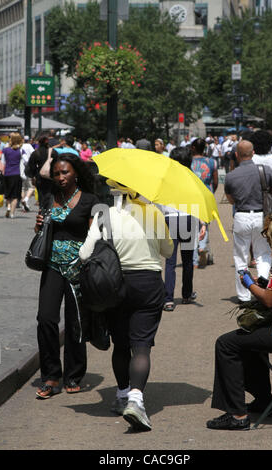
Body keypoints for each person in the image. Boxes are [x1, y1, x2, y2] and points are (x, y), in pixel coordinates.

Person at [79, 180, 173, 431]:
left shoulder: (105, 215)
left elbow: (85, 254)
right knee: (141, 346)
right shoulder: (154, 213)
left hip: (115, 284)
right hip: (148, 283)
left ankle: (121, 395)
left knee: (120, 344)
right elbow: (168, 250)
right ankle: (136, 399)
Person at [207, 206, 272, 430]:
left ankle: (237, 416)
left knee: (226, 344)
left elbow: (268, 301)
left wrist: (249, 283)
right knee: (250, 338)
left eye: (267, 235)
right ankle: (264, 399)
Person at [34, 153, 98, 399]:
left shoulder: (90, 200)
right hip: (52, 266)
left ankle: (73, 374)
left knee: (75, 323)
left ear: (76, 174)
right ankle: (51, 375)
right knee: (46, 318)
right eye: (57, 173)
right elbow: (41, 230)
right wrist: (39, 225)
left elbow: (96, 236)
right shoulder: (50, 198)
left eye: (65, 173)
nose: (60, 177)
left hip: (78, 268)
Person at [224, 140, 272, 303]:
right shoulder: (265, 170)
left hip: (241, 216)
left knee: (240, 257)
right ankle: (262, 289)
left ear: (236, 155)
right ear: (253, 152)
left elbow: (231, 200)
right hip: (262, 216)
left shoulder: (231, 176)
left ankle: (244, 295)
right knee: (263, 254)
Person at [161, 146, 206, 311]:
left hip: (169, 220)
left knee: (170, 262)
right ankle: (186, 294)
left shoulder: (165, 178)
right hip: (188, 220)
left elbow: (158, 202)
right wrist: (203, 223)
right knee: (187, 260)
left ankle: (168, 299)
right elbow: (199, 201)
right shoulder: (193, 178)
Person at [190, 138, 218, 268]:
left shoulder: (188, 162)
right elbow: (216, 181)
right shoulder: (212, 162)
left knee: (192, 226)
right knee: (204, 224)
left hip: (190, 195)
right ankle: (202, 247)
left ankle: (194, 261)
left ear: (193, 148)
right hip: (206, 195)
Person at [25, 133, 53, 209]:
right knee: (50, 195)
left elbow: (31, 166)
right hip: (51, 177)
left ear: (39, 142)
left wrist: (32, 176)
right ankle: (48, 211)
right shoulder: (52, 152)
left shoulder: (36, 153)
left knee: (41, 196)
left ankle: (42, 212)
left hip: (39, 177)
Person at [2, 133, 25, 219]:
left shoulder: (6, 150)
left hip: (7, 173)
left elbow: (3, 161)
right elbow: (26, 160)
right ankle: (12, 213)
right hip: (16, 173)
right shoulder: (21, 150)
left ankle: (8, 207)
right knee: (15, 195)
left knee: (8, 193)